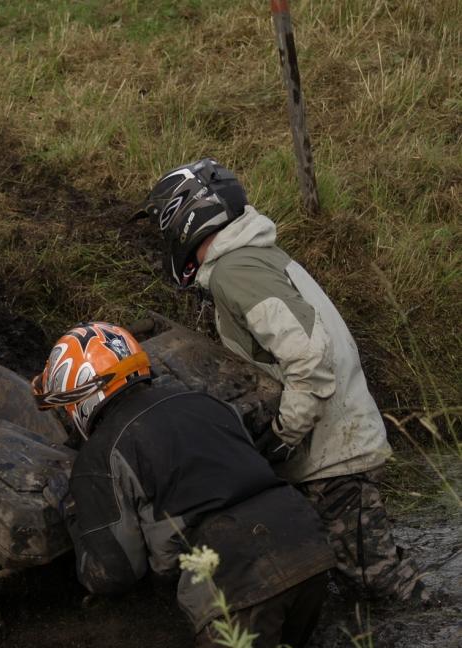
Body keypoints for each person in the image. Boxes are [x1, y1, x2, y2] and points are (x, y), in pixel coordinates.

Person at [137, 158, 426, 603]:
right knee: (355, 576)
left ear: (187, 217)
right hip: (336, 442)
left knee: (381, 587)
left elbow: (309, 355)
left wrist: (283, 434)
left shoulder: (237, 270)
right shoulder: (253, 258)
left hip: (330, 454)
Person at [33, 322, 336, 648]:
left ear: (84, 397)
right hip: (309, 546)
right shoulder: (204, 401)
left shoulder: (100, 455)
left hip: (237, 579)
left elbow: (113, 572)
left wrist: (74, 512)